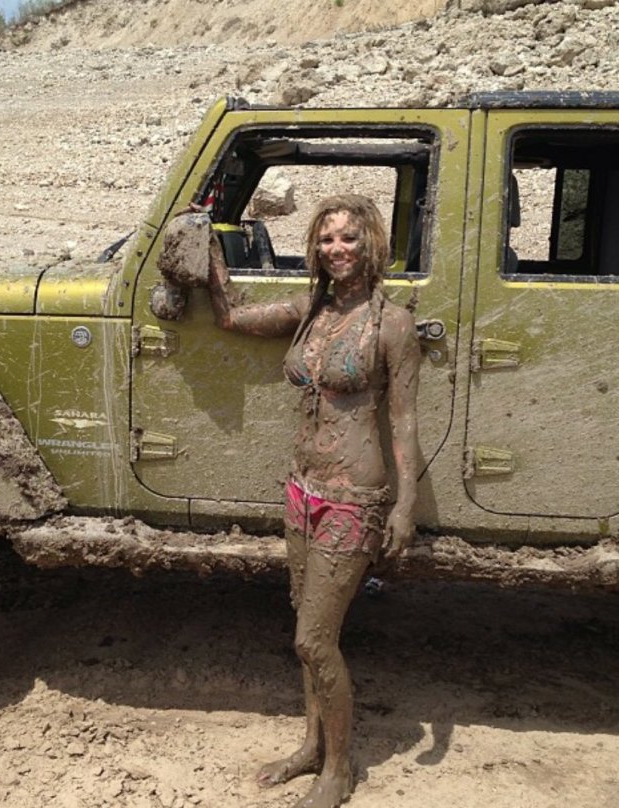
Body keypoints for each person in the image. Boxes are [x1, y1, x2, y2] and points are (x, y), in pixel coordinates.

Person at [207, 194, 420, 808]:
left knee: (314, 640)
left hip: (355, 495)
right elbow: (232, 320)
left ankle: (341, 769)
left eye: (349, 238)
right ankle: (310, 747)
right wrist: (209, 263)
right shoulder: (310, 312)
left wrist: (404, 507)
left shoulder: (393, 325)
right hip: (301, 489)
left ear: (371, 244)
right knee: (305, 626)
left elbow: (403, 423)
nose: (336, 249)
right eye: (326, 239)